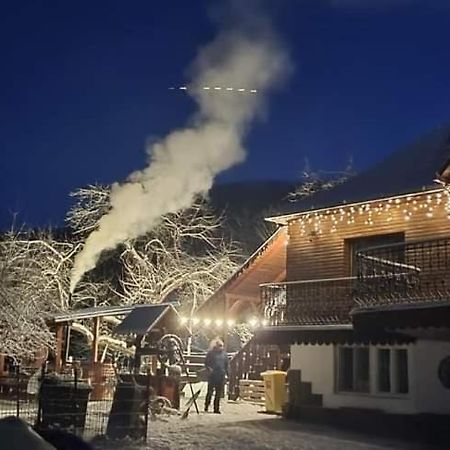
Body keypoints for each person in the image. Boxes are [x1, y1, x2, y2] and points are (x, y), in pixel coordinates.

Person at [204, 338, 228, 414]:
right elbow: (206, 363)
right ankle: (206, 405)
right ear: (216, 346)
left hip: (221, 375)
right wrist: (209, 368)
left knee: (218, 393)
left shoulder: (224, 354)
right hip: (212, 375)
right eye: (220, 346)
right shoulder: (211, 353)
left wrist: (227, 374)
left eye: (222, 346)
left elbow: (226, 364)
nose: (221, 347)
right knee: (210, 392)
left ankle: (216, 408)